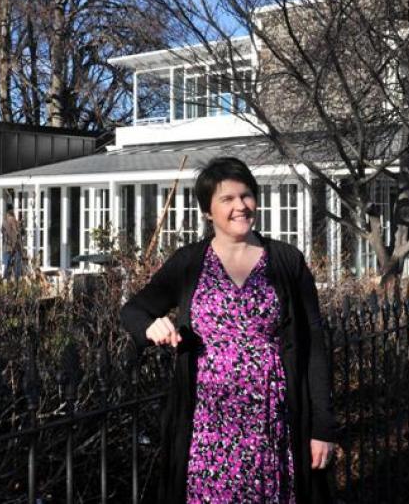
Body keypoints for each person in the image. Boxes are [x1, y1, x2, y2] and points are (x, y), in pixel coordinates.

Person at [120, 157, 336, 504]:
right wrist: (150, 326)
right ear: (207, 211)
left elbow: (313, 346)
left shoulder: (285, 261)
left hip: (272, 421)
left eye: (247, 195)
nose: (241, 206)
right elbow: (133, 310)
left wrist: (322, 427)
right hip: (208, 424)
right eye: (228, 199)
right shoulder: (189, 263)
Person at [1, 206, 24, 280]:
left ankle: (7, 279)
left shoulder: (8, 223)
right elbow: (22, 233)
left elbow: (22, 233)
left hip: (11, 247)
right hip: (13, 247)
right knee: (13, 264)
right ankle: (13, 279)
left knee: (9, 264)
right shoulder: (8, 223)